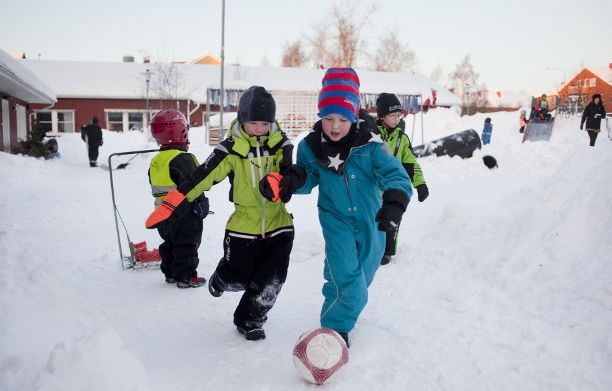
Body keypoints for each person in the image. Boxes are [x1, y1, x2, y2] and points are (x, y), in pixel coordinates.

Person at [261, 68, 412, 347]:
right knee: (350, 280)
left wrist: (394, 204)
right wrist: (292, 181)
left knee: (361, 274)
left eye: (342, 119)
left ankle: (339, 295)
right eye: (328, 117)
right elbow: (308, 177)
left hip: (371, 217)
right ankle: (334, 329)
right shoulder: (311, 146)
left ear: (354, 117)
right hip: (335, 218)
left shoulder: (371, 143)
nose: (334, 125)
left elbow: (396, 174)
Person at [146, 86, 295, 341]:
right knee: (238, 276)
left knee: (273, 278)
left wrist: (287, 184)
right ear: (242, 120)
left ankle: (251, 319)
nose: (259, 129)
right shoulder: (230, 150)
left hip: (278, 222)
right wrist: (175, 202)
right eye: (253, 123)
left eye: (264, 123)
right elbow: (201, 177)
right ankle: (223, 278)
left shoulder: (282, 145)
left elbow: (290, 173)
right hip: (243, 225)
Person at [148, 109, 208, 289]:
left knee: (169, 243)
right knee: (187, 244)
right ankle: (186, 276)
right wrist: (201, 203)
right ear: (181, 131)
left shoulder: (157, 160)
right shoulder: (182, 158)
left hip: (162, 213)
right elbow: (194, 184)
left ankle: (170, 274)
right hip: (184, 213)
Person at [375, 92, 429, 265]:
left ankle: (387, 252)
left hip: (392, 190)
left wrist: (420, 184)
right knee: (372, 221)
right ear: (382, 116)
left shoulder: (402, 139)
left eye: (400, 115)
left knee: (392, 221)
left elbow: (411, 163)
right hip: (372, 189)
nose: (398, 118)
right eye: (393, 115)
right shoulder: (372, 135)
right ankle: (370, 250)